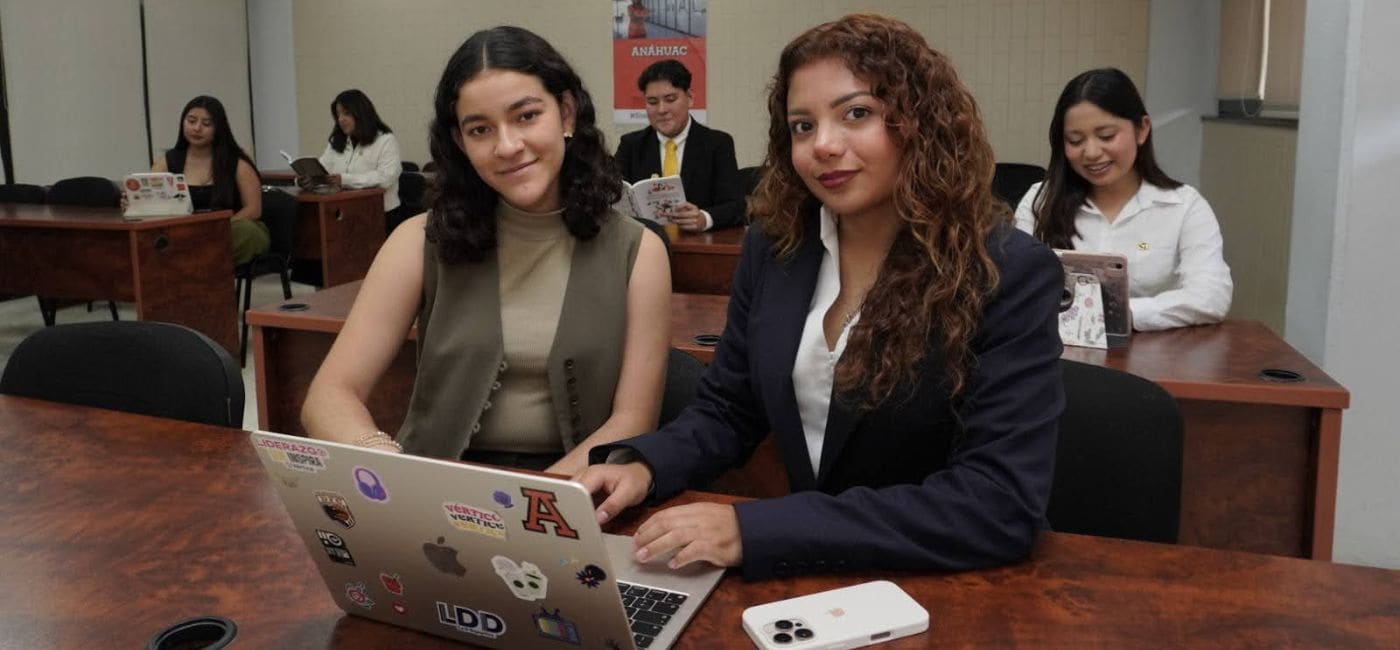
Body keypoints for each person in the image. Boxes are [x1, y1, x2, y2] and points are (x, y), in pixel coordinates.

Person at [579, 14, 1065, 580]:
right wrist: (644, 464)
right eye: (802, 127)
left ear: (920, 123)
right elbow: (730, 407)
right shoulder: (776, 248)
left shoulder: (1006, 271)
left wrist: (756, 530)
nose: (823, 146)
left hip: (950, 583)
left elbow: (995, 506)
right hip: (815, 580)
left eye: (856, 114)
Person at [299, 26, 671, 477]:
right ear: (460, 143)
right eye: (480, 129)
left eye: (527, 116)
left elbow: (633, 420)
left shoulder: (638, 251)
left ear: (567, 113)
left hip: (574, 487)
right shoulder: (420, 241)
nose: (507, 146)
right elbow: (329, 395)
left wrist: (531, 506)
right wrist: (389, 466)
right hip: (435, 485)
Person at [1015, 68, 1233, 331]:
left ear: (1142, 130)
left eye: (1106, 136)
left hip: (1153, 358)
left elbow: (1210, 297)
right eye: (1075, 140)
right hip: (1056, 355)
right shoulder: (1041, 201)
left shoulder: (1184, 207)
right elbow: (1019, 289)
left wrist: (1119, 314)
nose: (1092, 152)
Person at [615, 59, 745, 232]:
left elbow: (736, 206)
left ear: (690, 98)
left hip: (697, 247)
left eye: (670, 99)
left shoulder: (717, 143)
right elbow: (612, 197)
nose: (661, 109)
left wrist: (704, 218)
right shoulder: (631, 145)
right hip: (646, 245)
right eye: (652, 102)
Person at [152, 96, 267, 265]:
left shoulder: (237, 163)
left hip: (229, 229)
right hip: (184, 233)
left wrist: (214, 229)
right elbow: (153, 203)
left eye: (206, 124)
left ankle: (194, 266)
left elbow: (253, 209)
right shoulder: (166, 162)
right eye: (191, 121)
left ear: (219, 128)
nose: (197, 128)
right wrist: (135, 204)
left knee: (246, 231)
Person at [314, 89, 405, 232]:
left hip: (380, 216)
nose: (341, 119)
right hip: (343, 214)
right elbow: (323, 168)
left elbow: (385, 178)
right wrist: (307, 179)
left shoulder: (385, 140)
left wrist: (345, 180)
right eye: (338, 115)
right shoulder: (337, 141)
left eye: (346, 114)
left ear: (361, 113)